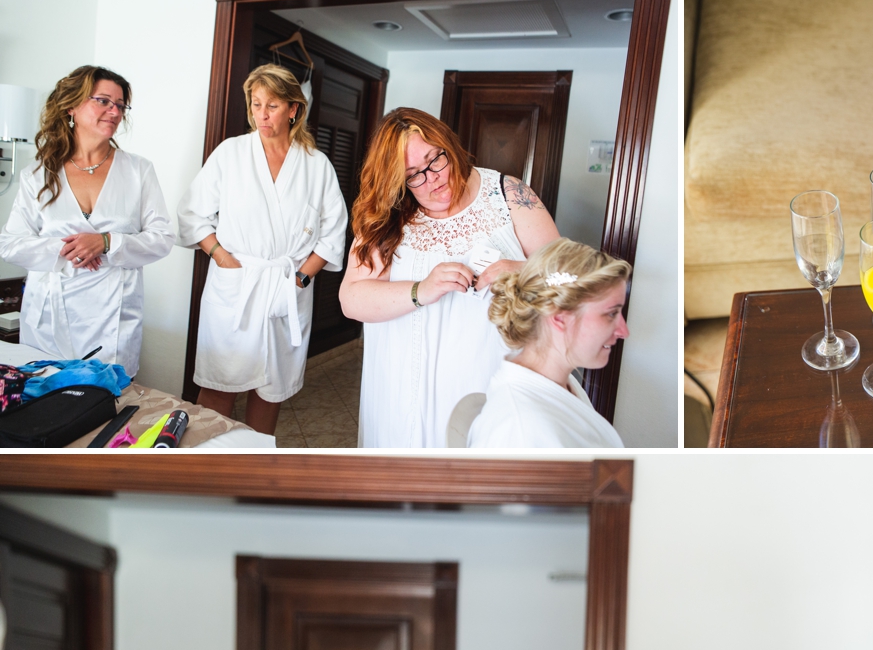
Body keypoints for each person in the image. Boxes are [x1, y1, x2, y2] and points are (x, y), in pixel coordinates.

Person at [340, 110, 560, 448]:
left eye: (435, 159)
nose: (433, 178)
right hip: (404, 390)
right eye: (414, 175)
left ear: (448, 146)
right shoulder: (388, 216)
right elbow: (351, 299)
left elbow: (568, 277)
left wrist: (523, 270)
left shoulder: (507, 194)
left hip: (489, 381)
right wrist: (421, 290)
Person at [180, 64, 347, 436]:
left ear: (293, 109)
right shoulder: (231, 154)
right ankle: (204, 460)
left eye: (272, 105)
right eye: (256, 104)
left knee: (272, 388)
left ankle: (256, 458)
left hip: (287, 285)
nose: (262, 115)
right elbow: (191, 213)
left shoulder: (316, 165)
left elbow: (334, 231)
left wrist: (302, 277)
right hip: (237, 283)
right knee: (219, 385)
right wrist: (222, 257)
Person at [0, 67, 171, 379]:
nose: (114, 112)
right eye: (103, 101)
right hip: (50, 318)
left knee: (106, 398)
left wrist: (106, 242)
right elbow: (10, 244)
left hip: (114, 322)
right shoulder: (38, 174)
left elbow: (162, 239)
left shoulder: (139, 171)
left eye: (120, 105)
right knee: (47, 399)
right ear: (72, 106)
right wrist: (71, 248)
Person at [467, 239, 628, 448]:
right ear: (560, 317)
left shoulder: (562, 382)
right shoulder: (520, 431)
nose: (624, 331)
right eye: (611, 314)